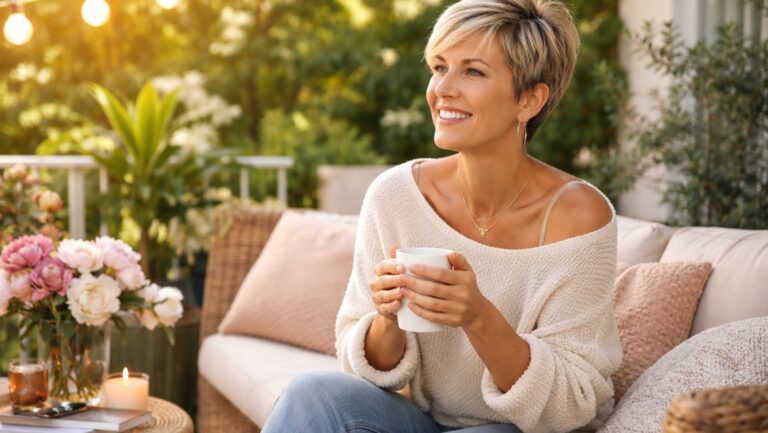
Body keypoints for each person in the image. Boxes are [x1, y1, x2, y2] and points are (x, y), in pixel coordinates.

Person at [261, 1, 622, 432]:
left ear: (529, 99)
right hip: (429, 423)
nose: (443, 89)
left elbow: (572, 404)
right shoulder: (395, 195)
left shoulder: (579, 217)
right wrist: (387, 317)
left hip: (524, 431)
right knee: (312, 396)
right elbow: (365, 372)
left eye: (473, 71)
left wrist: (478, 316)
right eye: (438, 67)